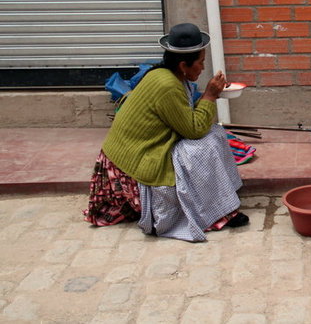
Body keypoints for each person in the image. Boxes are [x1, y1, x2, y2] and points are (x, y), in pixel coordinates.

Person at [83, 23, 249, 242]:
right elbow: (193, 130)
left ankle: (223, 199)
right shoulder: (167, 85)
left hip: (133, 152)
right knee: (203, 148)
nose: (202, 67)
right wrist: (209, 96)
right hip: (135, 161)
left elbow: (184, 116)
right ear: (183, 65)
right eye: (200, 63)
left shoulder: (168, 76)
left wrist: (208, 97)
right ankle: (216, 211)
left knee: (216, 134)